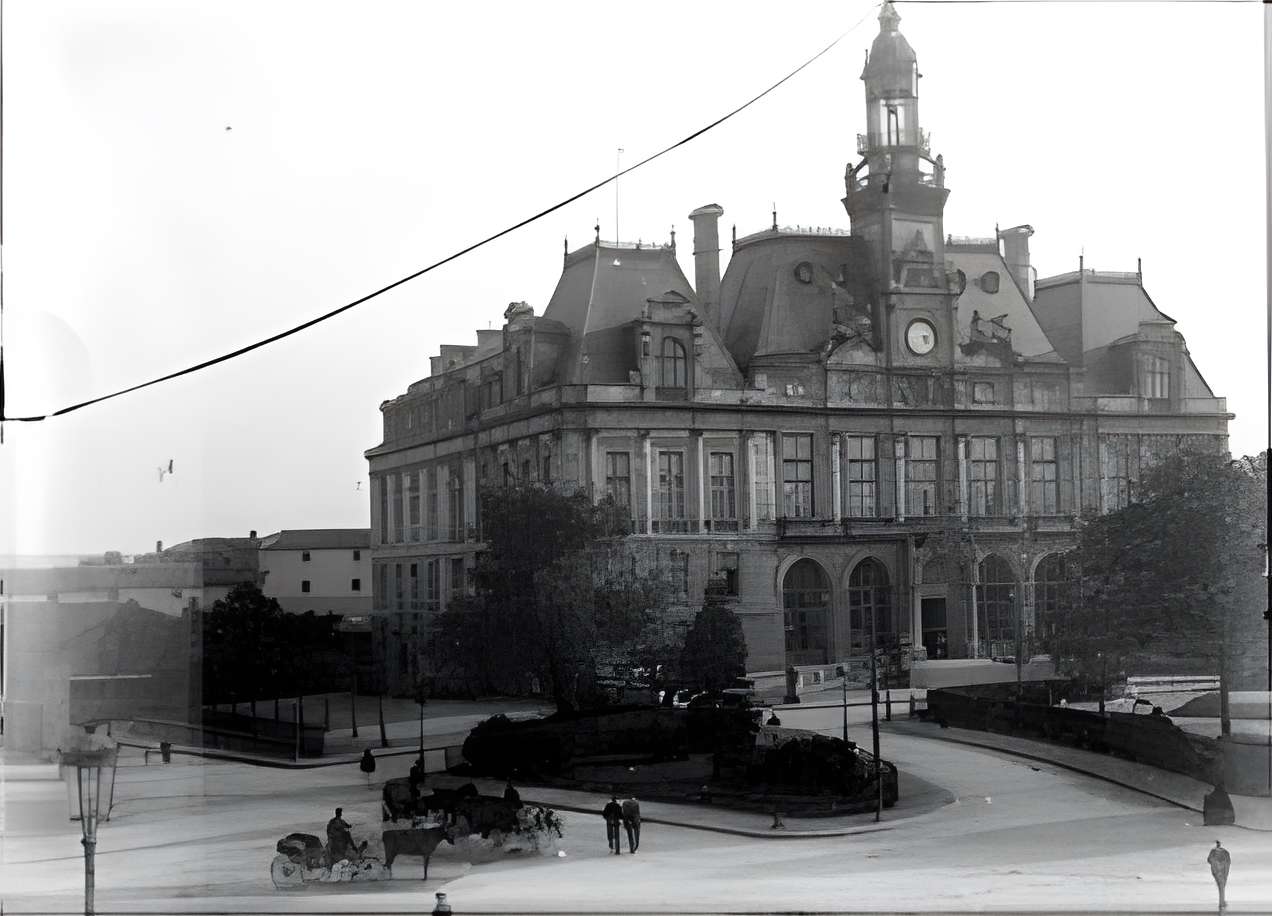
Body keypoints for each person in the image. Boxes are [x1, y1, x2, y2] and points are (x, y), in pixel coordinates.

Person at [1208, 840, 1231, 910]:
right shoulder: (1225, 852)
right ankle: (1222, 903)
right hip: (1221, 872)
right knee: (1222, 886)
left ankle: (1222, 903)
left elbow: (1209, 860)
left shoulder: (1214, 851)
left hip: (1217, 872)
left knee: (1221, 886)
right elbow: (1228, 861)